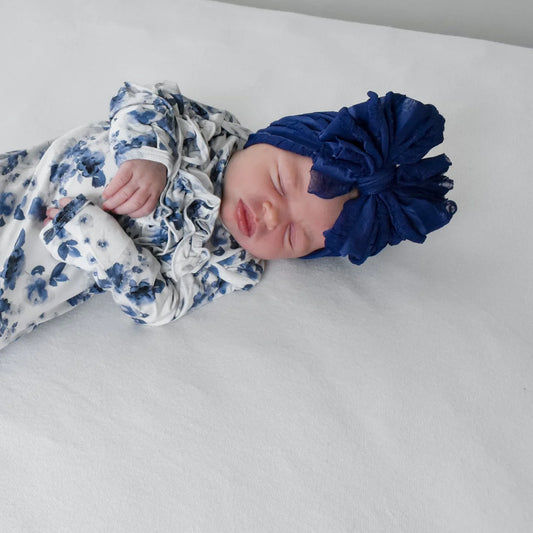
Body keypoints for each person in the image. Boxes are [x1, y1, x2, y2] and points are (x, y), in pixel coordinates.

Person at [0, 82, 456, 349]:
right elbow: (140, 96)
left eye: (294, 237)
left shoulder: (227, 263)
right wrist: (147, 156)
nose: (271, 216)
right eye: (280, 183)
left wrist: (94, 237)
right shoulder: (205, 133)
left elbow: (158, 307)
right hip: (23, 180)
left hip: (29, 271)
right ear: (271, 139)